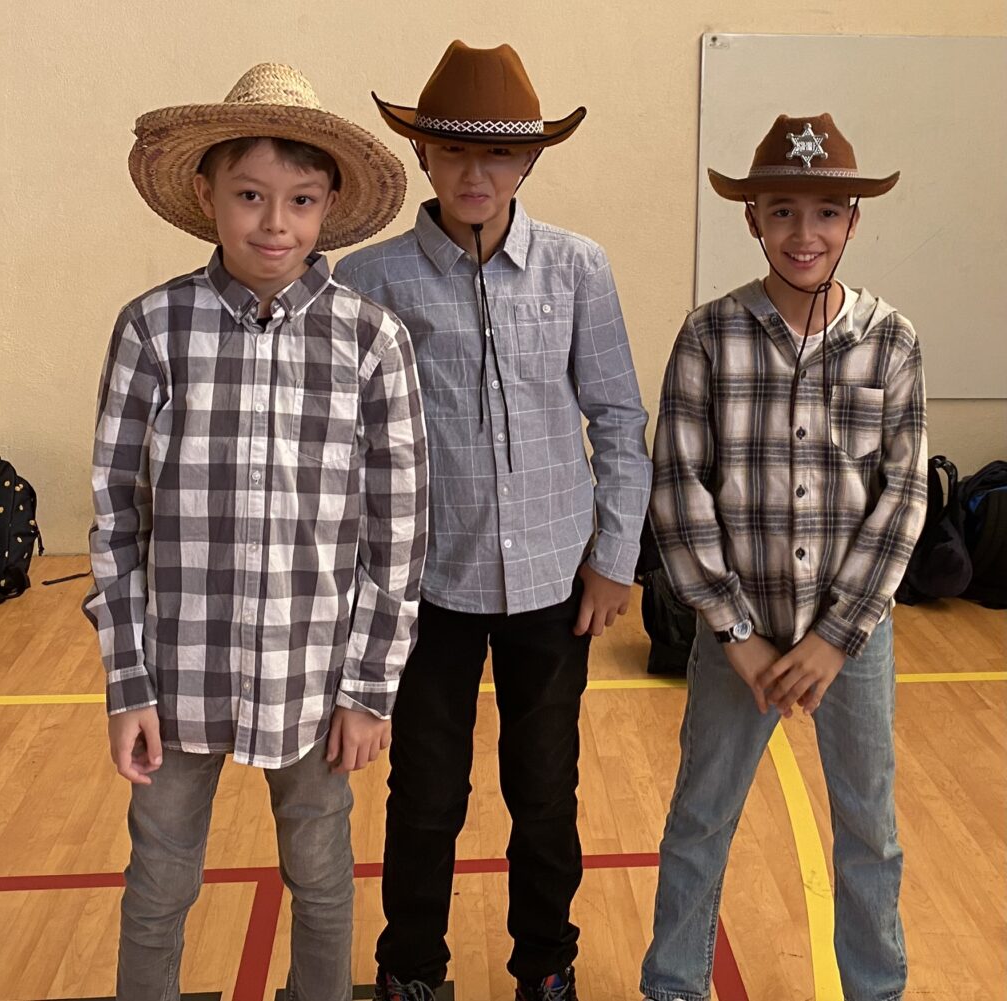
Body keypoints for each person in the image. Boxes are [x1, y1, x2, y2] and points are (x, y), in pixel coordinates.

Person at [84, 62, 428, 1001]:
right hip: (176, 671)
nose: (275, 224)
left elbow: (398, 533)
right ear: (207, 194)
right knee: (159, 880)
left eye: (300, 200)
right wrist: (126, 683)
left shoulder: (371, 341)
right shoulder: (153, 329)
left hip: (314, 676)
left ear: (329, 206)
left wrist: (369, 688)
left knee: (321, 874)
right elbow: (115, 515)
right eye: (249, 195)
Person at [333, 39, 652, 1001]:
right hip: (426, 585)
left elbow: (618, 419)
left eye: (501, 153)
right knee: (426, 793)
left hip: (555, 583)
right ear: (422, 154)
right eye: (454, 150)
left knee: (546, 791)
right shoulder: (371, 280)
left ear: (530, 160)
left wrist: (615, 558)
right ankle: (411, 968)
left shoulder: (578, 268)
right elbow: (348, 444)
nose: (477, 173)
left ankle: (545, 963)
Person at [641, 114, 927, 1001]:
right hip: (742, 636)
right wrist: (734, 631)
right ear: (752, 219)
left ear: (854, 222)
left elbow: (902, 498)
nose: (806, 234)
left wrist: (838, 637)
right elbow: (679, 488)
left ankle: (876, 987)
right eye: (783, 212)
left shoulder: (892, 342)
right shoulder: (709, 336)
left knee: (869, 828)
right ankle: (673, 984)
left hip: (853, 639)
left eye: (827, 213)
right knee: (701, 817)